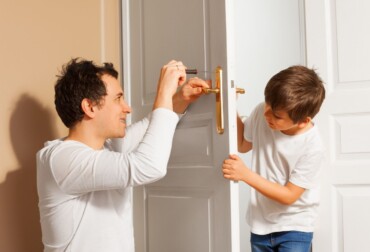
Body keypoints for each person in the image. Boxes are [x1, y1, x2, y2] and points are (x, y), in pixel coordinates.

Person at [36, 58, 209, 252]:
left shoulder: (107, 148)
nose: (127, 108)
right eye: (118, 99)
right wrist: (163, 92)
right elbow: (149, 166)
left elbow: (148, 129)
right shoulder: (61, 159)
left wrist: (177, 99)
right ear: (90, 107)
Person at [222, 65, 326, 252]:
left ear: (303, 121)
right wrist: (230, 106)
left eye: (277, 116)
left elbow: (289, 196)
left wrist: (245, 174)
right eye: (267, 105)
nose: (266, 115)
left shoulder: (313, 146)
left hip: (295, 226)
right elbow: (243, 144)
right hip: (260, 224)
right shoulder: (262, 112)